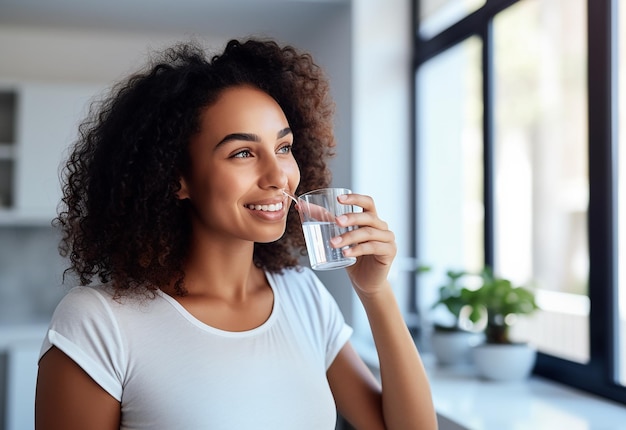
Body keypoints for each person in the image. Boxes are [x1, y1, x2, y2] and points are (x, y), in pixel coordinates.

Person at [34, 38, 437, 430]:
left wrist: (375, 292)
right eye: (243, 153)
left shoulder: (303, 296)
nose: (279, 176)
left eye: (283, 147)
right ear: (176, 178)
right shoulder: (100, 321)